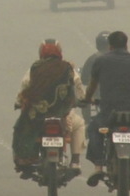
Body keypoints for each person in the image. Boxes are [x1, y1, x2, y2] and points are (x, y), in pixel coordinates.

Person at [82, 31, 130, 185]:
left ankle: (98, 166)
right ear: (126, 44)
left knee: (94, 129)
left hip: (108, 110)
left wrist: (87, 99)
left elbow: (92, 84)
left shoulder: (100, 61)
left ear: (110, 46)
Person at [12, 39, 86, 177]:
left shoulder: (35, 68)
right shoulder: (67, 68)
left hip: (38, 115)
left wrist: (18, 102)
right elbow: (78, 87)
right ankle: (75, 160)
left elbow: (25, 86)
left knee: (22, 127)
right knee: (79, 124)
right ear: (59, 52)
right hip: (63, 114)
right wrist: (82, 100)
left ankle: (25, 161)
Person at [80, 31, 110, 119]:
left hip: (98, 97)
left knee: (85, 100)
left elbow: (84, 80)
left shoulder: (92, 59)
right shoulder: (122, 58)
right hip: (120, 97)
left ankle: (88, 121)